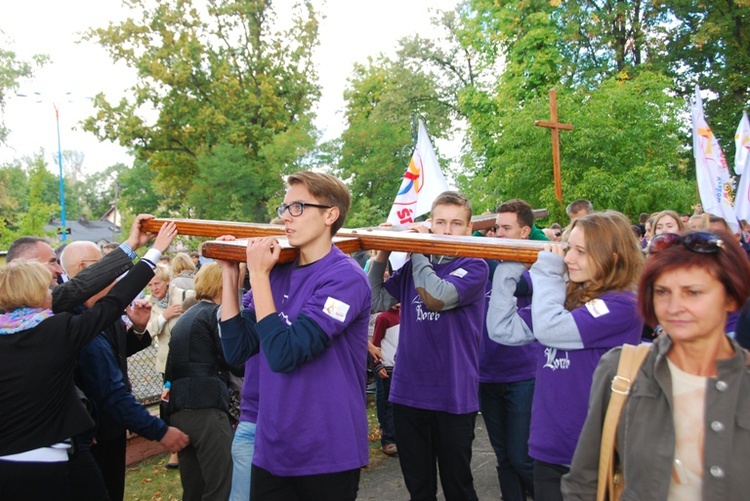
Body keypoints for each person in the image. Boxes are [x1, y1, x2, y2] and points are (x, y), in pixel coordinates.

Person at [0, 222, 188, 501]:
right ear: (33, 292)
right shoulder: (59, 329)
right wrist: (154, 252)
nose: (54, 288)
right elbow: (114, 302)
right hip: (54, 461)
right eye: (47, 286)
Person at [562, 229, 750, 499]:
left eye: (693, 292)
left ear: (731, 297)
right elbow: (583, 482)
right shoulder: (622, 370)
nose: (674, 307)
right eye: (662, 291)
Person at [218, 171, 371, 500]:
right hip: (273, 447)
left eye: (298, 207)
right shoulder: (277, 272)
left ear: (330, 215)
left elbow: (285, 354)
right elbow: (237, 350)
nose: (286, 216)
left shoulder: (345, 278)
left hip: (327, 450)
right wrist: (230, 276)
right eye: (284, 208)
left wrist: (258, 274)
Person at [487, 211, 643, 501]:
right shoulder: (571, 300)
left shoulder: (622, 305)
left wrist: (547, 272)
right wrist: (508, 269)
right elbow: (502, 329)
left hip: (590, 453)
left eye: (581, 252)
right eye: (569, 247)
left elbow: (550, 329)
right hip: (549, 447)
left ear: (615, 257)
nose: (568, 258)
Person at [369, 191, 489, 501]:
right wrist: (382, 252)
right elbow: (375, 299)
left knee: (458, 486)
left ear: (469, 227)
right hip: (409, 392)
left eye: (456, 223)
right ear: (430, 223)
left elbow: (436, 297)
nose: (447, 231)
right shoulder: (414, 267)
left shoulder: (475, 265)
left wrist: (417, 248)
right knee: (418, 487)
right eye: (440, 222)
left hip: (452, 392)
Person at [62, 240, 188, 501]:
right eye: (107, 266)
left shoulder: (102, 311)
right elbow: (108, 388)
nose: (115, 275)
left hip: (113, 426)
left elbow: (113, 355)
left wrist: (139, 329)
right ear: (86, 269)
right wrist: (160, 430)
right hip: (92, 432)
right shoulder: (74, 321)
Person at [480, 199, 541, 501]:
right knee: (503, 458)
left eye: (506, 228)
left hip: (522, 376)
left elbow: (519, 284)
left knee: (522, 457)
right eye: (496, 228)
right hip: (486, 374)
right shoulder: (484, 263)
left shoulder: (536, 269)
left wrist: (482, 248)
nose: (498, 234)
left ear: (525, 232)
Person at [164, 262, 234, 501]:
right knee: (219, 484)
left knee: (193, 486)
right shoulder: (214, 314)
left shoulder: (186, 317)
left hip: (180, 409)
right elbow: (232, 358)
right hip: (206, 407)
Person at [369, 304, 400, 457]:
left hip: (400, 366)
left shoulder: (404, 314)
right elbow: (376, 343)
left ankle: (397, 435)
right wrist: (378, 364)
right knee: (388, 403)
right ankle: (388, 439)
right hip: (387, 366)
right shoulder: (383, 317)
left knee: (398, 405)